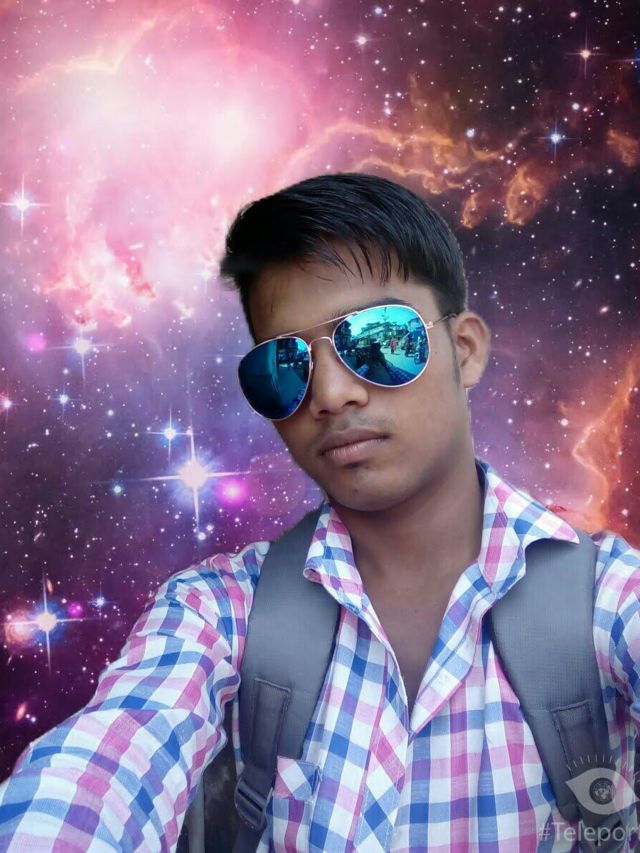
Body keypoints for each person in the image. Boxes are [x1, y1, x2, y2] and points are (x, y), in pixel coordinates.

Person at [0, 171, 639, 851]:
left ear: (466, 350)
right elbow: (103, 766)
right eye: (284, 366)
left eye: (378, 339)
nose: (331, 394)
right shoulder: (219, 611)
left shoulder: (608, 598)